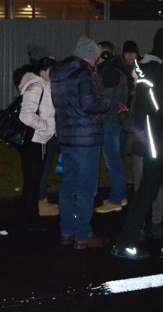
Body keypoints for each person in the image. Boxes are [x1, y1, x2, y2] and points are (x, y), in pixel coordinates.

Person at [111, 28, 163, 260]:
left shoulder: (153, 69)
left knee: (160, 194)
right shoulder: (160, 72)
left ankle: (161, 243)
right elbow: (161, 112)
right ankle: (147, 243)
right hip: (161, 145)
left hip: (157, 144)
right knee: (156, 195)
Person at [50, 36, 110, 250]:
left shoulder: (57, 72)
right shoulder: (83, 73)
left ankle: (67, 231)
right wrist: (105, 103)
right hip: (86, 139)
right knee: (86, 190)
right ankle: (83, 235)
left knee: (67, 187)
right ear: (90, 57)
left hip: (66, 138)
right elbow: (89, 104)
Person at [16, 56, 57, 232]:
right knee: (32, 181)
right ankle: (30, 221)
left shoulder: (44, 86)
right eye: (52, 71)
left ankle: (30, 217)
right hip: (35, 141)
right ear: (42, 72)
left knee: (33, 180)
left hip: (39, 140)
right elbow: (26, 115)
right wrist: (46, 128)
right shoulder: (36, 86)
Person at [94, 42, 130, 213]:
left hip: (110, 122)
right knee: (116, 160)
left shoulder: (108, 73)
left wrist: (99, 119)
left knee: (113, 161)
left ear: (105, 55)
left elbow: (106, 101)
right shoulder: (117, 70)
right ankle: (119, 195)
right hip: (116, 120)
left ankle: (116, 198)